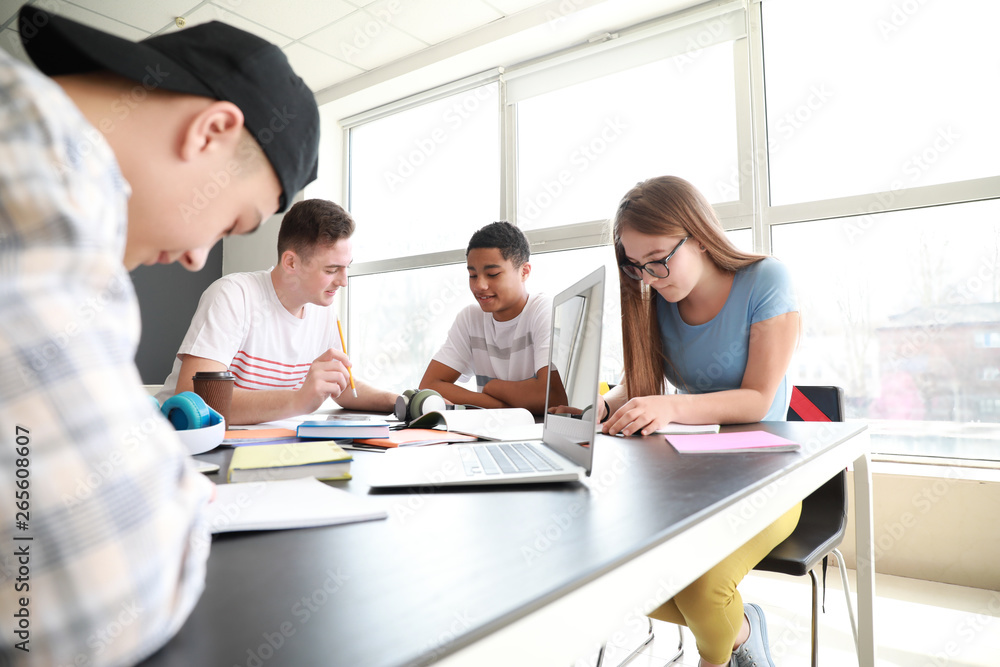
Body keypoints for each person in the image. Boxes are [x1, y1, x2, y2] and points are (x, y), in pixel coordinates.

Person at [0, 6, 320, 666]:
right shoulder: (34, 145)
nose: (201, 256)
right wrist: (170, 503)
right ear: (212, 130)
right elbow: (80, 603)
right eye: (233, 222)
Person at [601, 176, 801, 667]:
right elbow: (640, 385)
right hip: (690, 477)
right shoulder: (657, 300)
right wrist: (599, 407)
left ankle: (726, 643)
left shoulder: (767, 280)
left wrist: (670, 407)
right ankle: (743, 630)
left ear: (698, 233)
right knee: (610, 574)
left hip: (770, 473)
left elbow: (757, 399)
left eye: (658, 259)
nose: (648, 276)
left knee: (704, 590)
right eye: (636, 266)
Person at [157, 199, 398, 424]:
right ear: (291, 263)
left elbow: (343, 386)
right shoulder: (233, 295)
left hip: (269, 447)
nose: (344, 282)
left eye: (346, 267)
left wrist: (400, 402)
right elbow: (195, 397)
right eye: (332, 270)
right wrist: (298, 400)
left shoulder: (323, 311)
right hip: (187, 444)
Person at [419, 221, 562, 414]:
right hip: (490, 431)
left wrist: (493, 387)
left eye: (492, 274)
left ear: (524, 272)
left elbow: (552, 396)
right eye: (472, 275)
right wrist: (498, 405)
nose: (480, 286)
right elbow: (429, 386)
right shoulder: (470, 318)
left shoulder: (543, 311)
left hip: (537, 433)